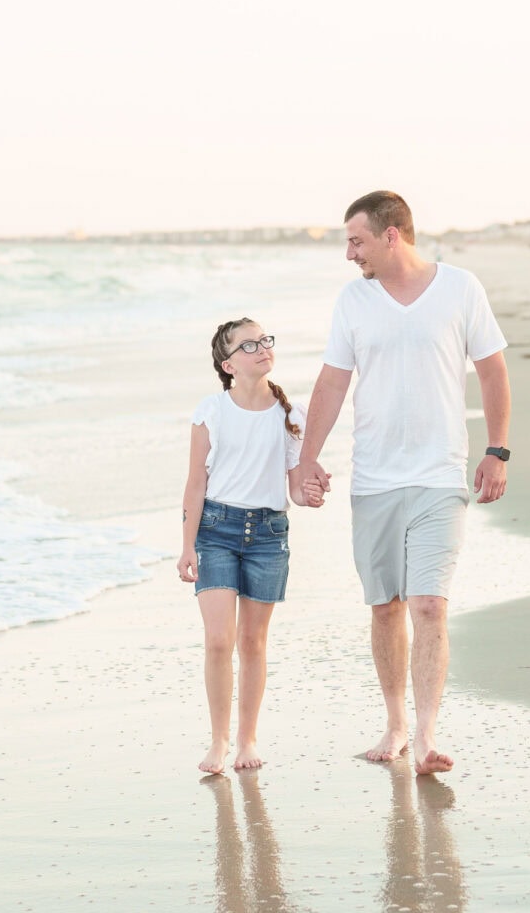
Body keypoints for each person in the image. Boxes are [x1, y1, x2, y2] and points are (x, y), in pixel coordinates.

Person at [297, 190, 511, 776]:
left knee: (429, 606)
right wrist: (305, 460)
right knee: (385, 607)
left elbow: (493, 370)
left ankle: (424, 735)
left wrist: (497, 450)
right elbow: (333, 383)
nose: (349, 253)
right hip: (374, 479)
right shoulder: (354, 300)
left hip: (440, 474)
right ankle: (394, 722)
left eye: (356, 240)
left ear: (392, 235)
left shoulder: (460, 289)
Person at [179, 319, 320, 774]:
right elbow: (195, 483)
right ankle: (218, 741)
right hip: (216, 531)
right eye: (248, 345)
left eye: (264, 341)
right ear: (229, 364)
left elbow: (296, 489)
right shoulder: (211, 410)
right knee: (219, 641)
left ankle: (247, 740)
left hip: (268, 535)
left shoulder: (291, 414)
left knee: (253, 643)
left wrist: (312, 492)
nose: (261, 348)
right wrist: (187, 547)